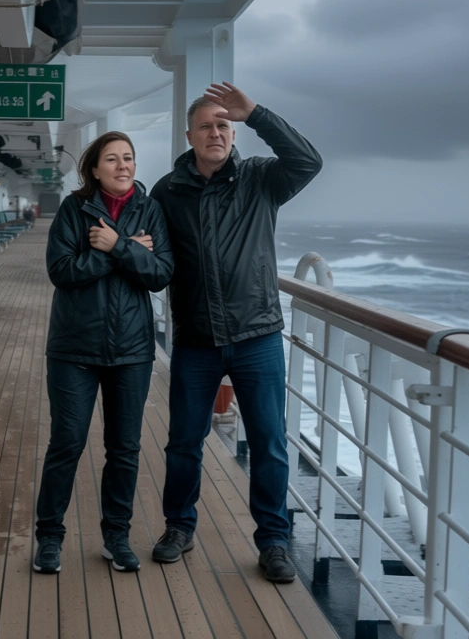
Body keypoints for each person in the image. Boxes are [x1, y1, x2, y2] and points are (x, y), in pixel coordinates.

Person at [150, 82, 323, 583]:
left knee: (269, 443)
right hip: (198, 340)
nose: (216, 133)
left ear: (234, 131)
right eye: (206, 126)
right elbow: (159, 262)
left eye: (224, 125)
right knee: (184, 441)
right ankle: (178, 527)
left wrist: (258, 114)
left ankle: (273, 542)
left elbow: (308, 161)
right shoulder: (168, 191)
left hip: (258, 336)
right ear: (190, 136)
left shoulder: (261, 178)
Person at [33, 131, 174, 575]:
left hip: (131, 349)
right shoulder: (74, 211)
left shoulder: (151, 210)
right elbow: (61, 272)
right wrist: (124, 252)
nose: (122, 166)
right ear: (94, 169)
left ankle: (116, 537)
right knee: (66, 445)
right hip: (74, 348)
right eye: (112, 159)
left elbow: (161, 274)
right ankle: (49, 538)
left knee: (125, 449)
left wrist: (116, 246)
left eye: (128, 158)